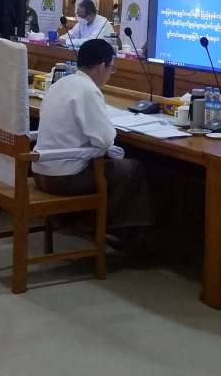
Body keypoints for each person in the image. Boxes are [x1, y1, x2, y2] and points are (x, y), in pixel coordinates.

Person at [33, 39, 155, 237]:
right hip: (64, 178)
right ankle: (103, 230)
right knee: (132, 169)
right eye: (111, 68)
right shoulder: (88, 90)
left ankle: (88, 224)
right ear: (101, 67)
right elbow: (105, 140)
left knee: (115, 165)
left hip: (41, 172)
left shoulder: (61, 83)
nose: (110, 74)